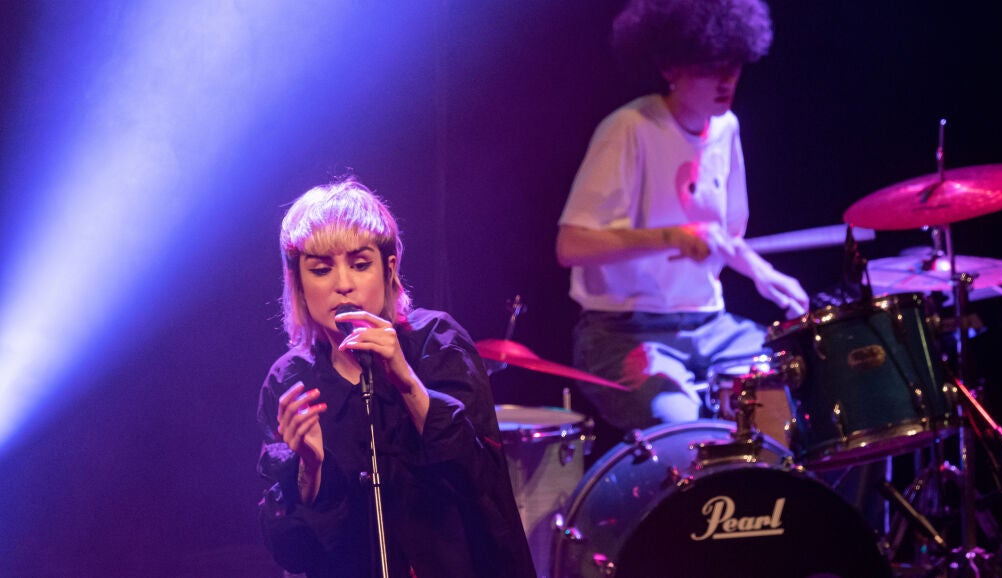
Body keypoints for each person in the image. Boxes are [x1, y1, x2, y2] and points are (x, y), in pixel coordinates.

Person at [256, 178, 536, 578]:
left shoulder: (437, 343)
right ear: (298, 283)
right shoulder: (290, 381)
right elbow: (293, 553)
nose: (343, 284)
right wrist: (310, 469)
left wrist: (407, 382)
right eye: (321, 269)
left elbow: (484, 489)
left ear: (388, 269)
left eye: (360, 264)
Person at [555, 0, 809, 436]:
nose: (727, 80)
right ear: (670, 67)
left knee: (801, 390)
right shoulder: (630, 127)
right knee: (683, 430)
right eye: (710, 67)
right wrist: (672, 236)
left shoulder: (726, 128)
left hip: (711, 325)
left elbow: (721, 236)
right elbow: (571, 245)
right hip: (622, 332)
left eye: (733, 65)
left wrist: (764, 274)